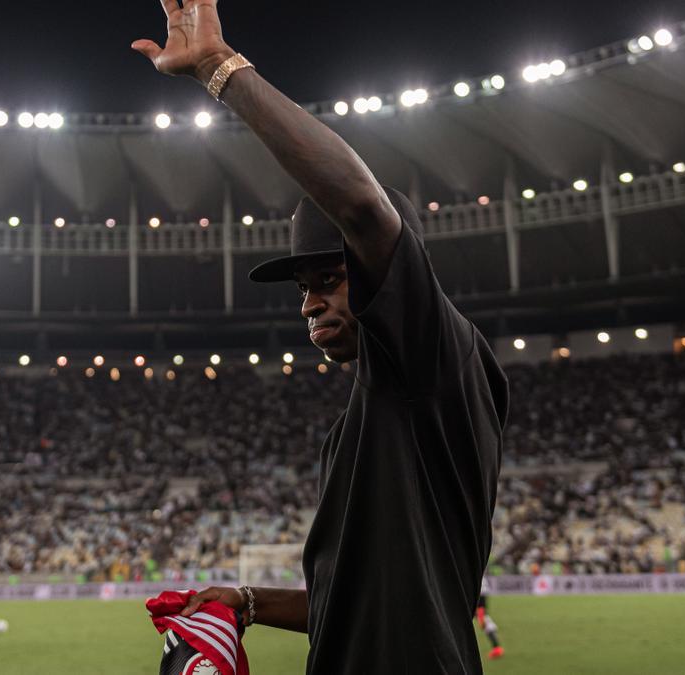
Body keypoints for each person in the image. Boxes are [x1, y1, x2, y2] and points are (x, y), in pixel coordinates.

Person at [133, 2, 509, 672]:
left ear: (387, 275)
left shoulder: (434, 356)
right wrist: (248, 602)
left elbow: (364, 211)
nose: (308, 303)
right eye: (302, 286)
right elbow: (352, 602)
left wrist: (222, 69)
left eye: (331, 278)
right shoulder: (364, 422)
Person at [476, 576, 504, 660]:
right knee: (484, 620)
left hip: (479, 596)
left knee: (484, 620)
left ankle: (497, 648)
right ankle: (496, 648)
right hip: (480, 594)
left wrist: (481, 610)